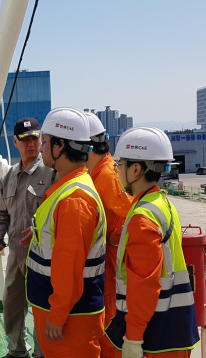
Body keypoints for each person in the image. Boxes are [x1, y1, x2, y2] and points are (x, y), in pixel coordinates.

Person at [104, 127, 199, 358]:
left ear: (136, 169)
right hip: (176, 329)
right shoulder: (163, 203)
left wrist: (133, 340)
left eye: (121, 165)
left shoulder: (141, 219)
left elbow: (144, 285)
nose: (117, 171)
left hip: (154, 337)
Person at [22, 107, 106, 358]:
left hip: (70, 322)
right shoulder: (69, 188)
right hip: (65, 315)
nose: (42, 148)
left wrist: (57, 316)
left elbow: (69, 264)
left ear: (60, 146)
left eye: (45, 142)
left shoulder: (74, 199)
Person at [0, 117, 53, 358]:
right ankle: (17, 351)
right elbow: (0, 213)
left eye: (35, 138)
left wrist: (39, 231)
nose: (31, 143)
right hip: (15, 255)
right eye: (25, 139)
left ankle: (41, 354)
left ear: (41, 140)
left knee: (41, 308)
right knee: (12, 307)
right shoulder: (8, 176)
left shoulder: (51, 174)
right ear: (15, 142)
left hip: (42, 257)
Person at [83, 112, 133, 358]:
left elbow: (131, 216)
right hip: (107, 266)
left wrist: (111, 237)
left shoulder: (106, 176)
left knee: (110, 322)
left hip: (113, 266)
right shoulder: (99, 172)